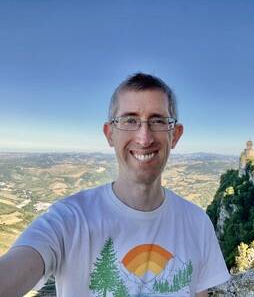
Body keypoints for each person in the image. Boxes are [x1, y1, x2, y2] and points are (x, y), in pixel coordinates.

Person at [0, 73, 230, 296]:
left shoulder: (197, 223)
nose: (144, 137)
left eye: (158, 121)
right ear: (110, 134)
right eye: (130, 120)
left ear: (175, 135)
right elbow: (20, 263)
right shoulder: (69, 219)